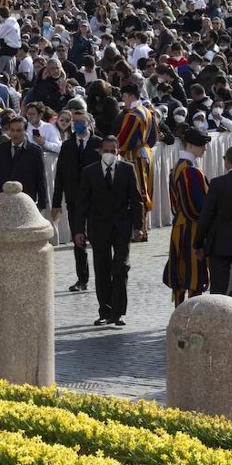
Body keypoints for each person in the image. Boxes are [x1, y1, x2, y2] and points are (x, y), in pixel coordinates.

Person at [75, 137, 142, 326]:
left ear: (118, 151)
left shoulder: (127, 169)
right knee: (102, 268)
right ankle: (105, 310)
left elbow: (136, 200)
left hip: (121, 226)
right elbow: (82, 203)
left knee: (121, 267)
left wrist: (138, 227)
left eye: (114, 151)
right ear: (99, 151)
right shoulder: (89, 172)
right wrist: (79, 230)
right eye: (106, 150)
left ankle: (118, 312)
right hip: (98, 227)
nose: (110, 154)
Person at [51, 108, 102, 292]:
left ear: (89, 123)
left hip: (96, 200)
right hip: (74, 201)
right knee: (78, 240)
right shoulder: (67, 145)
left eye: (81, 121)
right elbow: (60, 176)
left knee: (98, 239)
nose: (78, 125)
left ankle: (102, 275)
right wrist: (56, 203)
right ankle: (82, 278)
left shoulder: (98, 144)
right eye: (75, 122)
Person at [163, 127, 211, 306]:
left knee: (182, 272)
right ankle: (189, 315)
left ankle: (182, 312)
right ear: (190, 145)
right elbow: (196, 206)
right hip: (191, 228)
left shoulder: (178, 167)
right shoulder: (190, 170)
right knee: (193, 274)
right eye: (201, 145)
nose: (204, 149)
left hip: (181, 225)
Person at [196, 145, 232, 303]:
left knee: (218, 289)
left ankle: (216, 323)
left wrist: (198, 243)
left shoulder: (217, 184)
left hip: (220, 244)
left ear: (227, 162)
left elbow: (206, 216)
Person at [115, 84, 157, 242]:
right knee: (144, 190)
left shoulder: (133, 115)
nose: (123, 100)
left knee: (138, 192)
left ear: (131, 96)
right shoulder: (147, 111)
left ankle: (139, 229)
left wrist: (113, 149)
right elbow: (153, 138)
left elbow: (123, 139)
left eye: (124, 97)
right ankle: (143, 228)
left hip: (135, 155)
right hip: (146, 152)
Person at [0, 115, 49, 209]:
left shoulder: (35, 151)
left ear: (25, 131)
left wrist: (42, 205)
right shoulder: (0, 149)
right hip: (3, 201)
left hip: (26, 202)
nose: (15, 134)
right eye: (12, 130)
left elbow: (41, 179)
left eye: (19, 130)